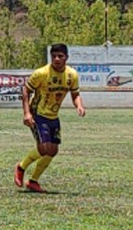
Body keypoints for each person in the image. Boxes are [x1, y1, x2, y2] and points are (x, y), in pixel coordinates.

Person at [14, 43, 85, 193]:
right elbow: (26, 91)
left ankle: (33, 181)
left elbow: (75, 94)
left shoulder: (72, 75)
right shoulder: (41, 73)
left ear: (67, 57)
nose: (57, 59)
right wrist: (27, 113)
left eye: (60, 56)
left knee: (53, 150)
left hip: (53, 115)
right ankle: (21, 167)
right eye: (54, 56)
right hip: (37, 113)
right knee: (44, 147)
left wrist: (79, 105)